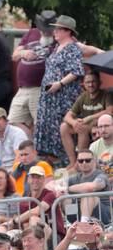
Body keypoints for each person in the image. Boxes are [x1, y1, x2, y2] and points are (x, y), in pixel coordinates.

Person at [34, 16, 92, 160]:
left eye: (59, 29)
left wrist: (59, 83)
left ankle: (65, 160)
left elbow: (76, 71)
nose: (55, 31)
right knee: (48, 126)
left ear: (68, 31)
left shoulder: (72, 47)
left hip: (63, 96)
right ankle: (50, 159)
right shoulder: (56, 48)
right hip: (49, 97)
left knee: (61, 126)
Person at [59, 70, 112, 167]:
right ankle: (72, 161)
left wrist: (89, 117)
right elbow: (67, 116)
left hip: (100, 126)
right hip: (85, 125)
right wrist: (74, 122)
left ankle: (79, 163)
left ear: (100, 83)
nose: (91, 84)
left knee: (82, 128)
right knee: (64, 127)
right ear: (83, 84)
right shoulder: (83, 96)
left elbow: (109, 111)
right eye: (88, 82)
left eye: (93, 81)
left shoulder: (106, 94)